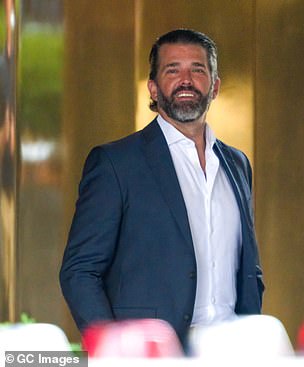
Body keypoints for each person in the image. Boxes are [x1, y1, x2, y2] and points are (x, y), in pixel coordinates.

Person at [59, 29, 264, 346]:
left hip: (231, 349)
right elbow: (80, 272)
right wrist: (116, 349)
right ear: (153, 88)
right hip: (151, 353)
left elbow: (249, 270)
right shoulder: (116, 164)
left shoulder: (238, 165)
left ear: (215, 86)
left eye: (198, 69)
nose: (186, 80)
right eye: (173, 70)